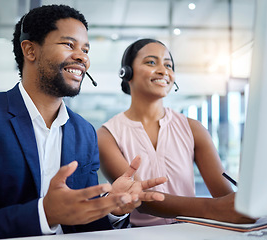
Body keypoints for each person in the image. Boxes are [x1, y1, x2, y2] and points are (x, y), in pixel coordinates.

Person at [0, 6, 167, 240]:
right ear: (30, 50)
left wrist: (111, 208)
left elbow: (83, 225)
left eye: (85, 49)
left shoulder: (84, 132)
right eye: (69, 45)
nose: (83, 57)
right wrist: (44, 214)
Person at [97, 38, 255, 227]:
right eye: (151, 62)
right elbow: (142, 199)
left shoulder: (193, 128)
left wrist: (261, 208)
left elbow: (225, 198)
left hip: (191, 233)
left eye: (168, 65)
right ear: (127, 72)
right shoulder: (107, 135)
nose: (163, 71)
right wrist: (213, 208)